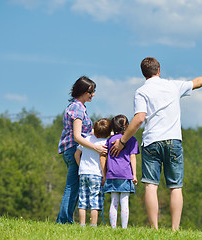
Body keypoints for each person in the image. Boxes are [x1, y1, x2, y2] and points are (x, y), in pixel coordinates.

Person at [110, 57, 202, 231]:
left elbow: (139, 118)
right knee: (175, 187)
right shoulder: (173, 86)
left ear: (144, 74)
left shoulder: (141, 91)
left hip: (151, 141)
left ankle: (154, 229)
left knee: (151, 186)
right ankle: (175, 230)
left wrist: (122, 141)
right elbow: (196, 82)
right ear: (159, 70)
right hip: (173, 140)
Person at [56, 76, 107, 224]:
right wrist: (96, 147)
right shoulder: (77, 108)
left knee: (75, 186)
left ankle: (65, 220)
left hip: (71, 150)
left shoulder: (77, 106)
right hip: (73, 150)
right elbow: (78, 137)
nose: (93, 94)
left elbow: (85, 132)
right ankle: (63, 221)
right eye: (91, 92)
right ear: (83, 91)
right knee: (72, 187)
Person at [103, 115, 139, 229]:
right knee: (125, 202)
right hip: (125, 175)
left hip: (112, 174)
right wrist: (134, 175)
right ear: (127, 125)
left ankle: (113, 228)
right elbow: (132, 158)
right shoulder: (132, 139)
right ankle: (124, 228)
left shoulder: (110, 140)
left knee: (114, 201)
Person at [75, 118, 112, 227]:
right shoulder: (105, 143)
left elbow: (76, 154)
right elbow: (102, 160)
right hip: (96, 174)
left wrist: (80, 166)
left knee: (82, 201)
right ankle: (93, 225)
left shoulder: (86, 139)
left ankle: (82, 225)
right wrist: (105, 176)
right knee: (95, 201)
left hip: (83, 173)